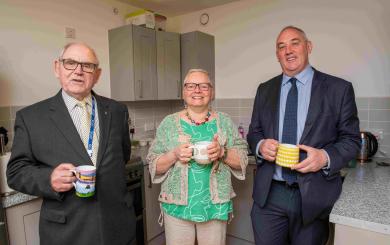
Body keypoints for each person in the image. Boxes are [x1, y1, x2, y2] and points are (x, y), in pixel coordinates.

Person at [7, 42, 136, 245]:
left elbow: (123, 155)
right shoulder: (31, 118)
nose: (78, 71)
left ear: (97, 74)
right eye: (70, 63)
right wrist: (48, 178)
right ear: (57, 68)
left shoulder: (117, 110)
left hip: (117, 225)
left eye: (87, 65)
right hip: (67, 231)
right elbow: (15, 172)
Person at [247, 26, 360, 245]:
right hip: (269, 196)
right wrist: (260, 145)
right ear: (277, 55)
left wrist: (324, 157)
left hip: (313, 195)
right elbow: (254, 132)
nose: (288, 50)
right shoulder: (264, 90)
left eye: (294, 43)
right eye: (281, 46)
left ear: (308, 47)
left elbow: (351, 140)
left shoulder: (339, 89)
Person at [147, 69, 248, 245]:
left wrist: (222, 152)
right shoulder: (168, 123)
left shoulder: (224, 122)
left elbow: (242, 161)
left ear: (212, 92)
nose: (197, 90)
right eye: (191, 86)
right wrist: (174, 155)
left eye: (204, 86)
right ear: (183, 92)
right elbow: (154, 165)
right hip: (176, 208)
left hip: (214, 207)